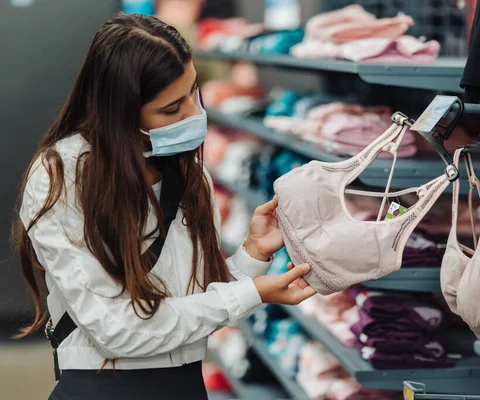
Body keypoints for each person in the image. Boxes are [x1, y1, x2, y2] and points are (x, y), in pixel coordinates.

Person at [14, 13, 315, 400]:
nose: (194, 114)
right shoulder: (63, 176)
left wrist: (253, 254)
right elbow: (118, 331)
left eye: (193, 92)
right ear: (119, 112)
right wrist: (253, 292)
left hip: (186, 387)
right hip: (101, 390)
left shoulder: (189, 174)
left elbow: (196, 308)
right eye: (171, 110)